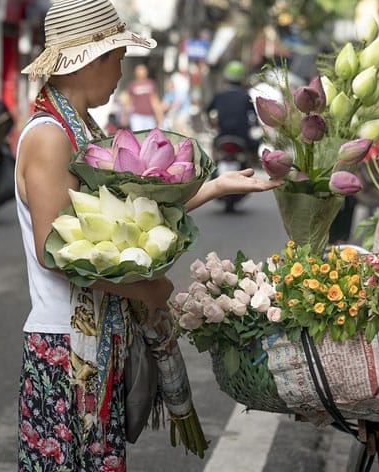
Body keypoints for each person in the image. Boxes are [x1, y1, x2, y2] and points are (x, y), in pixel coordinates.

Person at [16, 1, 281, 469]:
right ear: (93, 59)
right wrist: (146, 288)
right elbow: (52, 253)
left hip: (95, 343)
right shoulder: (50, 137)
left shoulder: (82, 131)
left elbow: (134, 220)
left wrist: (216, 186)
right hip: (66, 348)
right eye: (119, 57)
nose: (122, 71)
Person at [205, 60, 259, 154]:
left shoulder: (219, 95)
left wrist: (212, 124)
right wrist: (254, 126)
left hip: (222, 134)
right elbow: (254, 116)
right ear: (242, 78)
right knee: (255, 147)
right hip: (242, 137)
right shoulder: (245, 96)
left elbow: (208, 111)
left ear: (226, 77)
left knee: (214, 150)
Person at [124, 63, 164, 131]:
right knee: (138, 137)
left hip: (149, 116)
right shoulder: (132, 85)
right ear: (135, 72)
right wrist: (125, 115)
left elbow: (155, 101)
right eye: (139, 71)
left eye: (143, 71)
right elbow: (129, 101)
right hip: (136, 116)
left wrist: (159, 115)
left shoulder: (151, 84)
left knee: (149, 137)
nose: (141, 73)